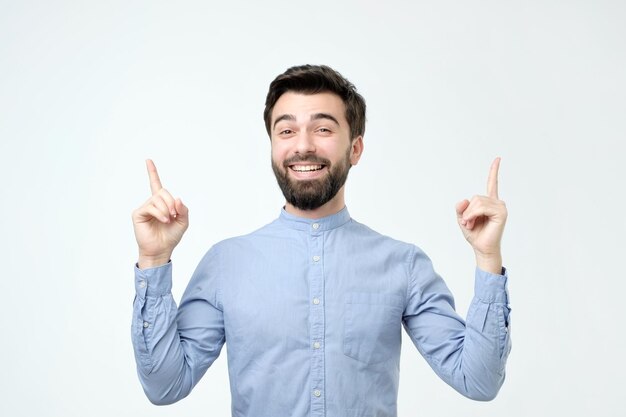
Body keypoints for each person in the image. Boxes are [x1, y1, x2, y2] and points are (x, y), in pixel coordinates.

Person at [131, 65, 511, 417]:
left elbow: (477, 381)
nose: (303, 146)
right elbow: (165, 386)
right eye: (286, 130)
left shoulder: (403, 265)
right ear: (273, 146)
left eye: (324, 129)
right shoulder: (226, 264)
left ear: (355, 149)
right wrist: (154, 258)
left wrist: (487, 256)